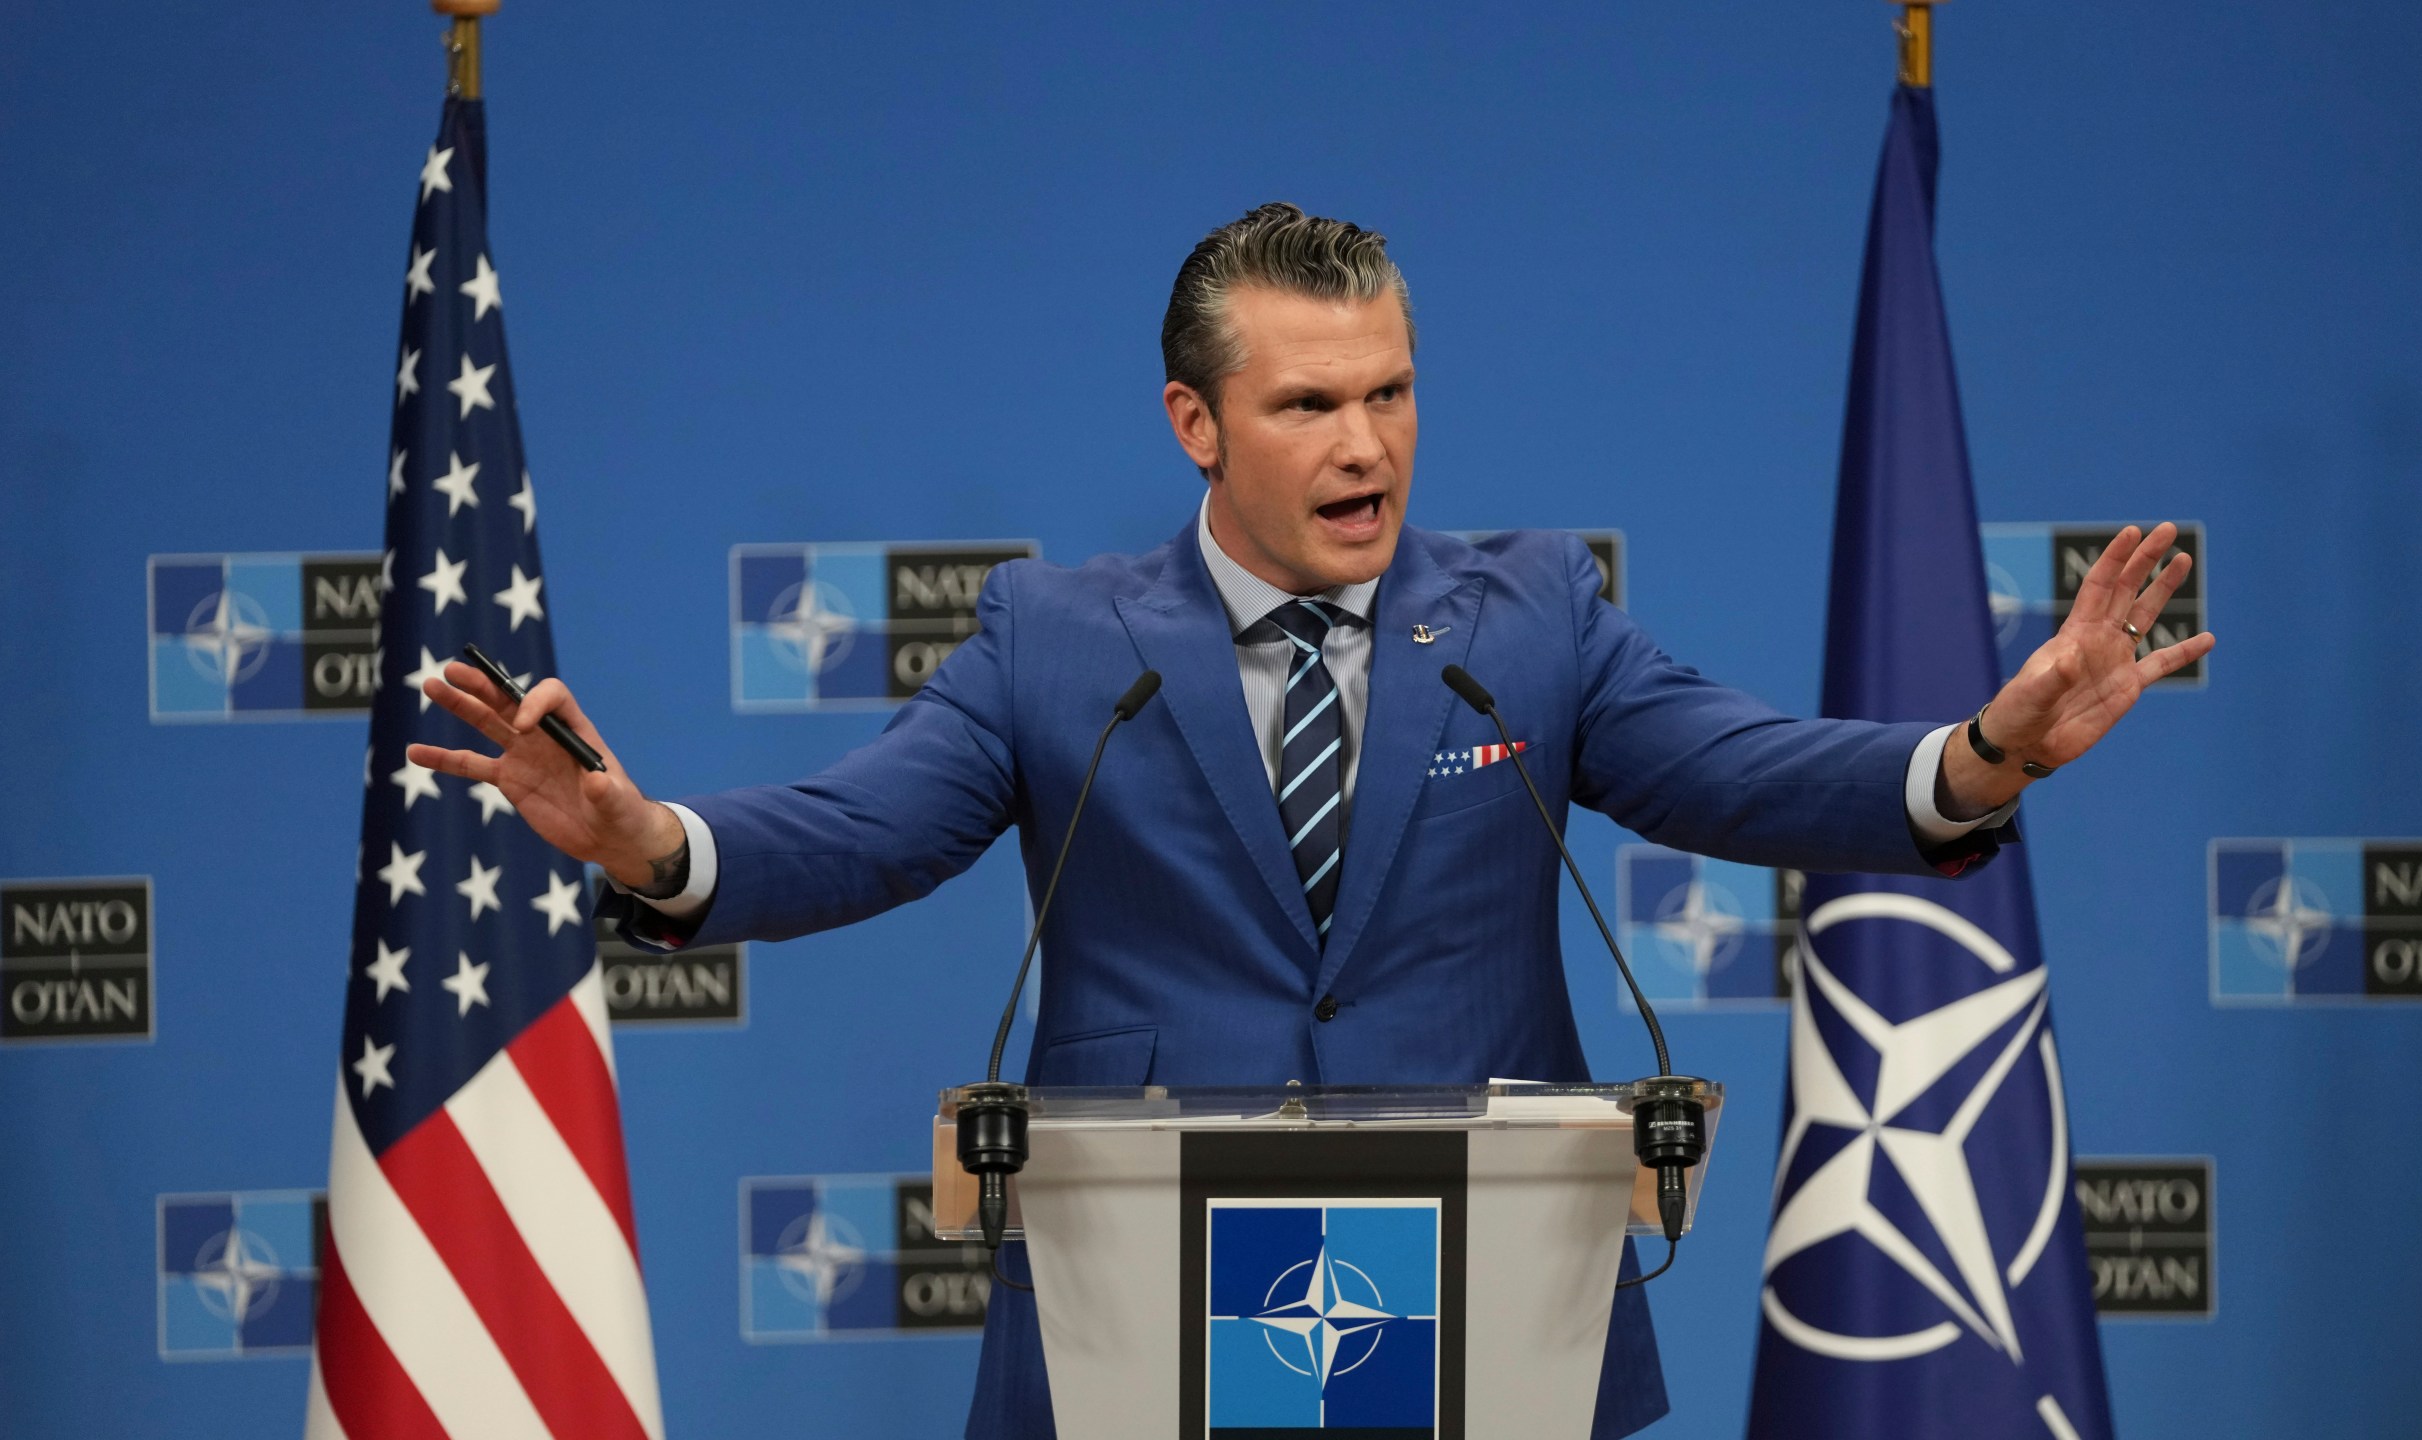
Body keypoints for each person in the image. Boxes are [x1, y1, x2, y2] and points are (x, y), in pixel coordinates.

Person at [408, 202, 2209, 1439]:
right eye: (1310, 405)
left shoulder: (1530, 618)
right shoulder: (1056, 640)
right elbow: (862, 829)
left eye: (1391, 394)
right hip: (1148, 1319)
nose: (1367, 446)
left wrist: (1981, 752)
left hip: (1488, 1306)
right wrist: (652, 847)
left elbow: (1747, 771)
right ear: (1198, 421)